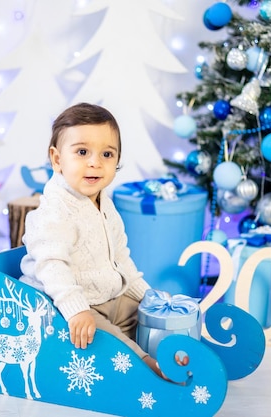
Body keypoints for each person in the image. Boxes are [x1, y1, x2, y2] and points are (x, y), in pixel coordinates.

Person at [19, 102, 163, 377]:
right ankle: (145, 368)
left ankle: (168, 349)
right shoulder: (54, 212)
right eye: (82, 152)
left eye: (107, 154)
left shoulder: (104, 204)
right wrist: (76, 310)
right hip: (66, 302)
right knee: (105, 337)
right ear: (58, 159)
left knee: (148, 316)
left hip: (108, 296)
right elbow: (52, 265)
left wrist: (147, 295)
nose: (95, 162)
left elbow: (120, 258)